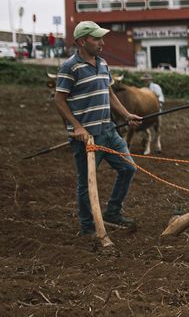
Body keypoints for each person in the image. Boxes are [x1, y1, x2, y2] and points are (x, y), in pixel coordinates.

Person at [52, 21, 142, 236]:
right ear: (82, 41)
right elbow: (59, 100)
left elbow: (109, 94)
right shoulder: (70, 67)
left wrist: (126, 115)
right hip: (87, 138)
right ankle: (87, 226)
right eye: (97, 39)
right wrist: (77, 128)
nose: (102, 43)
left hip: (109, 131)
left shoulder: (103, 63)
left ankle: (112, 212)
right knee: (86, 183)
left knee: (128, 168)